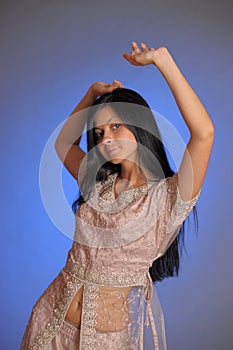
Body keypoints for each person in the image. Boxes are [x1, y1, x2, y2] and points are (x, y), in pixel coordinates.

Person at [20, 42, 214, 350]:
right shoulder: (99, 182)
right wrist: (91, 95)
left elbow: (204, 133)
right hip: (49, 321)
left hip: (104, 340)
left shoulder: (166, 198)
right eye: (99, 134)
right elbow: (62, 144)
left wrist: (163, 61)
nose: (106, 139)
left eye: (115, 126)